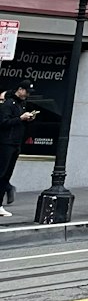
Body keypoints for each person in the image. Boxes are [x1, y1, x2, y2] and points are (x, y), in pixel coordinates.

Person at [0, 81, 37, 217]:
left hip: (15, 143)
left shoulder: (21, 104)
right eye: (26, 92)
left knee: (6, 175)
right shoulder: (8, 104)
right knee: (2, 173)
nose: (27, 95)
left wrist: (28, 119)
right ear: (20, 89)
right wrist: (20, 118)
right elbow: (3, 122)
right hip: (6, 143)